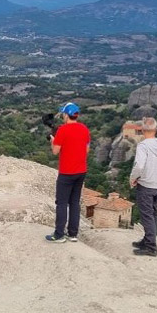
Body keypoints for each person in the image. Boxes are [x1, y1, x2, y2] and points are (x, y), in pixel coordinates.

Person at [46, 102, 91, 243]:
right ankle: (73, 234)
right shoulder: (84, 129)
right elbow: (87, 150)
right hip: (81, 171)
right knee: (74, 203)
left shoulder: (63, 130)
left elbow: (55, 151)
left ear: (66, 115)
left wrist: (53, 140)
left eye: (63, 114)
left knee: (61, 203)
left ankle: (59, 234)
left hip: (66, 172)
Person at [129, 117, 157, 257]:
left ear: (142, 130)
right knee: (152, 214)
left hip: (146, 185)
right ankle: (146, 240)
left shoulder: (143, 146)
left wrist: (133, 178)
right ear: (156, 130)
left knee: (147, 215)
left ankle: (151, 247)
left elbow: (139, 165)